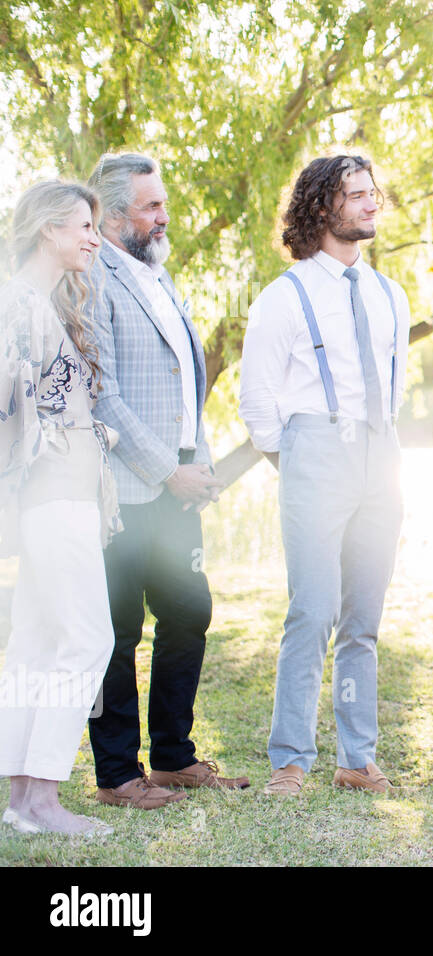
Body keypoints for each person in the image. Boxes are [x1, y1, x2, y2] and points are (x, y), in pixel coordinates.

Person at [240, 154, 409, 796]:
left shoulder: (388, 293)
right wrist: (300, 463)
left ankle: (355, 758)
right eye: (356, 196)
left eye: (374, 194)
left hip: (380, 456)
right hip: (314, 450)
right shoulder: (284, 297)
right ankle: (290, 758)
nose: (372, 205)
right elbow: (258, 399)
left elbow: (391, 390)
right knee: (311, 612)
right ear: (321, 208)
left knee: (362, 618)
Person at [85, 153, 246, 809]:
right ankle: (117, 775)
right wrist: (166, 469)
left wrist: (198, 460)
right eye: (151, 205)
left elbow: (186, 382)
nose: (164, 214)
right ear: (116, 216)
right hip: (125, 490)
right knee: (118, 631)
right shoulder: (93, 278)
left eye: (162, 202)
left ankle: (173, 758)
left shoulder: (159, 274)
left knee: (189, 612)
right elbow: (104, 396)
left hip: (180, 482)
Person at [0, 180, 118, 835]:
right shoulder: (20, 305)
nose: (93, 239)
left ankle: (23, 800)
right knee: (87, 637)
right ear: (48, 229)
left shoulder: (35, 304)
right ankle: (42, 798)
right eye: (82, 226)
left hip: (61, 496)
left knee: (38, 642)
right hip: (53, 497)